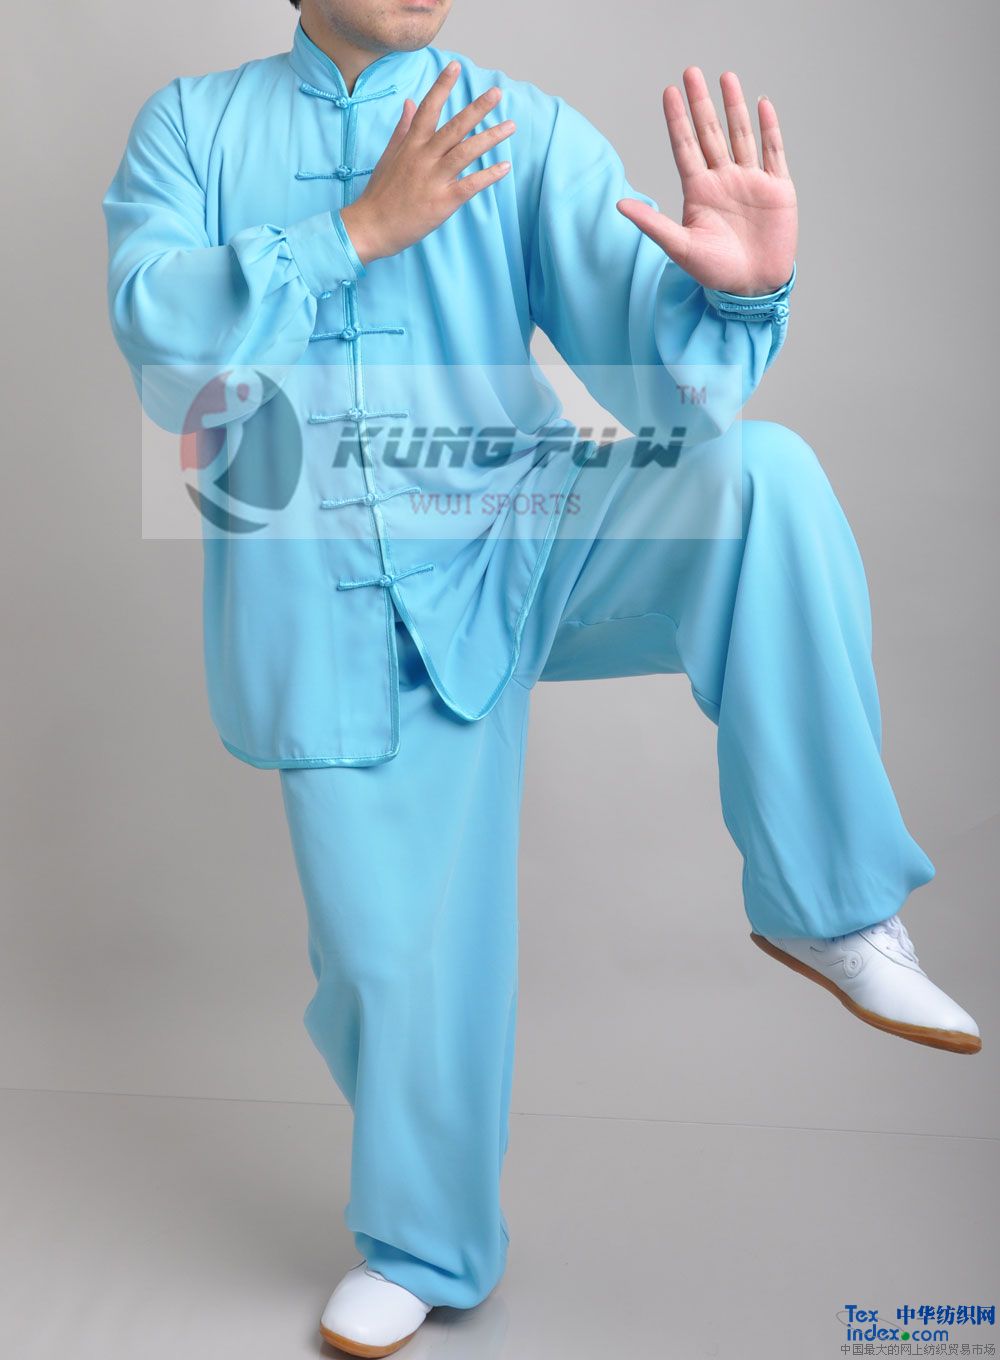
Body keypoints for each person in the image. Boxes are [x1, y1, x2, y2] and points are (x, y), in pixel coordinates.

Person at [102, 1, 981, 1354]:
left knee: (764, 481)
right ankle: (428, 1246)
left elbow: (668, 390)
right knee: (388, 968)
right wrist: (352, 232)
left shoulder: (513, 127)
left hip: (524, 529)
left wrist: (740, 290)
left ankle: (832, 906)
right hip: (330, 598)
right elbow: (166, 356)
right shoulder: (193, 128)